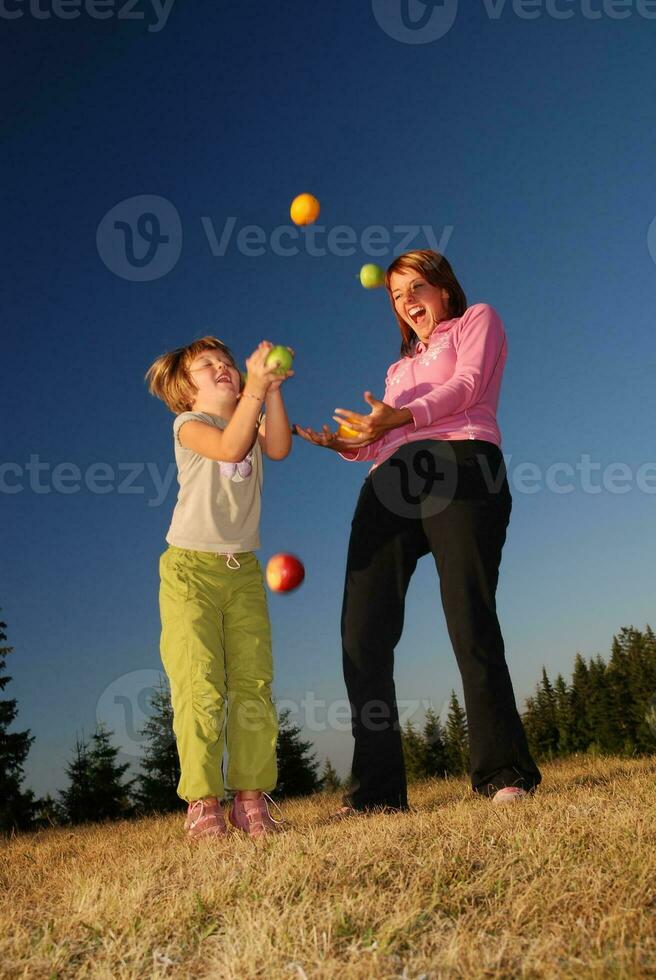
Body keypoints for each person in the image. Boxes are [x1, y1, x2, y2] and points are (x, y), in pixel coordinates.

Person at [295, 249, 542, 813]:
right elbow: (381, 441)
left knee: (468, 614)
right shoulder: (397, 369)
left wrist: (402, 417)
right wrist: (350, 443)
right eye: (396, 295)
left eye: (415, 288)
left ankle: (503, 772)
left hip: (460, 461)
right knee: (363, 634)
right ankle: (377, 794)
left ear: (444, 290)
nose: (406, 302)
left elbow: (469, 386)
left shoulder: (478, 319)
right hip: (390, 481)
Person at [145, 336, 293, 838]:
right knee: (200, 682)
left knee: (253, 683)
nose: (223, 368)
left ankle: (250, 800)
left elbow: (278, 445)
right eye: (208, 366)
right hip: (189, 571)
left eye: (227, 362)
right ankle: (204, 803)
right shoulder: (190, 425)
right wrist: (255, 386)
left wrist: (269, 388)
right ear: (188, 392)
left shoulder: (249, 417)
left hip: (243, 571)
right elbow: (230, 446)